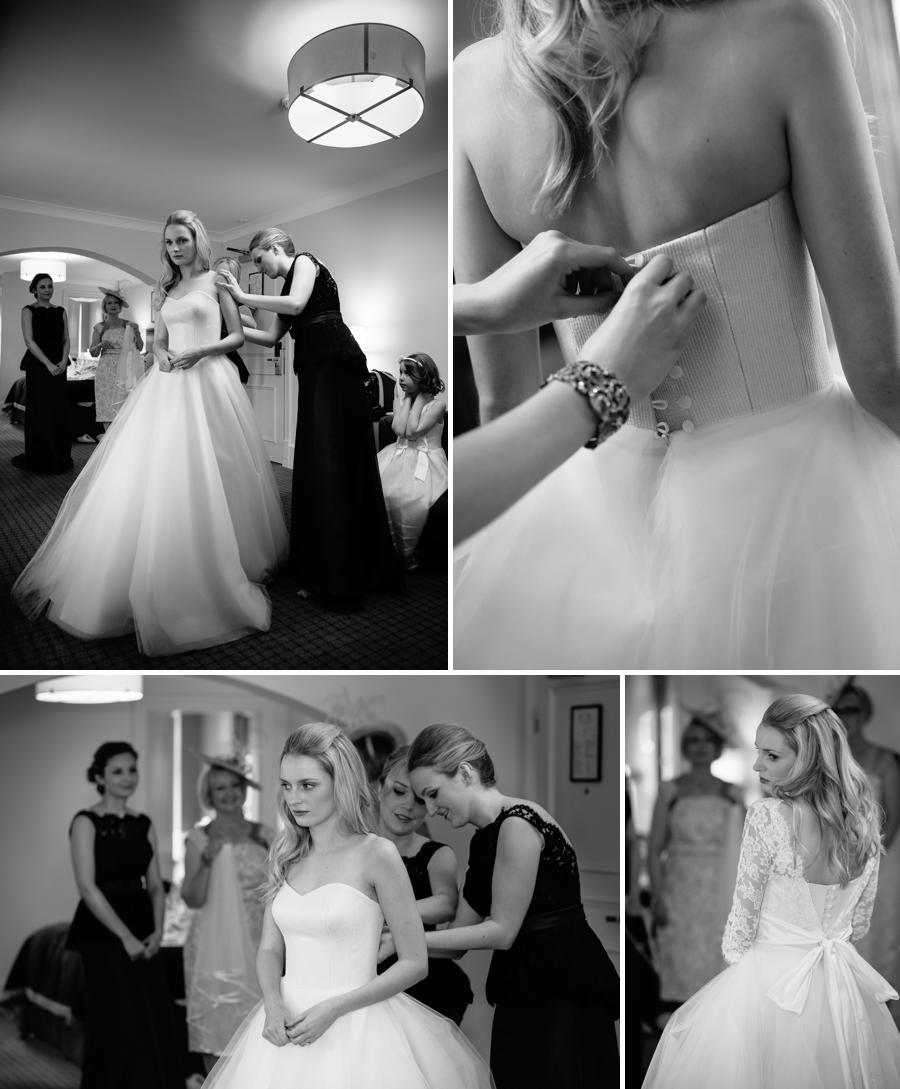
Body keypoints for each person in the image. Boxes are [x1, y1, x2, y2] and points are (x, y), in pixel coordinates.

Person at [453, 0, 900, 668]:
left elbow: (504, 404)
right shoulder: (786, 28)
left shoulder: (469, 87)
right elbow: (884, 371)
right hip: (802, 505)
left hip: (596, 515)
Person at [12, 209, 288, 656]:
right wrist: (160, 354)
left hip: (208, 378)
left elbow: (237, 336)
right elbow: (158, 337)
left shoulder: (218, 281)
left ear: (197, 240)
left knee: (218, 468)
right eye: (169, 242)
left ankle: (225, 555)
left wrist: (199, 351)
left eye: (182, 240)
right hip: (167, 382)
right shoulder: (166, 288)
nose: (175, 248)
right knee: (157, 471)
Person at [199, 723, 492, 1089]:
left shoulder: (376, 854)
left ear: (340, 783)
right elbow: (270, 950)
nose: (294, 798)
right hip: (286, 1025)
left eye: (308, 785)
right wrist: (273, 1003)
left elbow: (414, 963)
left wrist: (334, 1008)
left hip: (358, 1024)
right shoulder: (286, 854)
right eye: (287, 785)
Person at [642, 695, 900, 1087]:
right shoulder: (865, 821)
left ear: (809, 758)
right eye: (758, 752)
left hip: (769, 984)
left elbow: (739, 933)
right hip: (841, 989)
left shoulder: (767, 817)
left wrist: (736, 989)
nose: (757, 765)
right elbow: (860, 924)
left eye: (771, 756)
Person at [401, 724, 619, 1089]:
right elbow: (457, 941)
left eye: (433, 793)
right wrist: (391, 933)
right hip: (521, 986)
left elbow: (502, 932)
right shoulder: (484, 838)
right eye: (424, 798)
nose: (430, 808)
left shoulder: (518, 823)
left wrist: (405, 938)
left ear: (466, 773)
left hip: (561, 986)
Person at [216, 230, 403, 610]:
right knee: (319, 463)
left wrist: (241, 294)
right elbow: (269, 337)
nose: (260, 268)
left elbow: (298, 304)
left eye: (259, 259)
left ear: (274, 248)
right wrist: (229, 324)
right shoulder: (287, 286)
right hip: (317, 371)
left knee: (333, 461)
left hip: (337, 367)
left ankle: (345, 575)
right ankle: (327, 568)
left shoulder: (305, 262)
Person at [67, 741, 183, 1089]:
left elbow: (156, 886)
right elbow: (87, 887)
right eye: (118, 771)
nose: (128, 777)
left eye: (132, 769)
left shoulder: (143, 823)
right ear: (100, 777)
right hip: (102, 931)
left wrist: (158, 931)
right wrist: (125, 937)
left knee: (150, 1016)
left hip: (144, 926)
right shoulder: (85, 822)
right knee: (114, 1020)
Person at [647, 714, 744, 1014]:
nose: (701, 747)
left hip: (721, 887)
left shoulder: (733, 794)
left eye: (707, 741)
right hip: (681, 888)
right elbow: (653, 849)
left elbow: (744, 850)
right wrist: (658, 896)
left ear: (717, 748)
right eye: (694, 740)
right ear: (685, 747)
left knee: (719, 965)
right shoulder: (669, 791)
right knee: (682, 961)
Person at [181, 754, 272, 1073]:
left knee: (261, 1030)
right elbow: (192, 899)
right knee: (217, 1029)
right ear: (210, 794)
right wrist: (206, 861)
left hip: (261, 942)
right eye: (220, 788)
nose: (229, 793)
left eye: (235, 785)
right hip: (214, 946)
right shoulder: (198, 839)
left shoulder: (265, 834)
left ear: (245, 789)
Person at [373, 746, 474, 1024]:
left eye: (420, 799)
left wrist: (385, 913)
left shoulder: (437, 855)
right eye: (399, 791)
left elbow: (446, 905)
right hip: (364, 974)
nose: (407, 805)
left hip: (422, 982)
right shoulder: (354, 849)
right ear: (379, 788)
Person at [832, 682, 900, 1010]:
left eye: (852, 709)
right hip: (832, 864)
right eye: (840, 709)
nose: (846, 716)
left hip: (876, 860)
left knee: (876, 936)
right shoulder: (827, 759)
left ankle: (878, 1009)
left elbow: (893, 818)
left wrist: (866, 859)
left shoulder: (884, 759)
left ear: (866, 714)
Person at [377, 353, 448, 567]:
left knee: (411, 498)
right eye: (400, 373)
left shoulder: (437, 405)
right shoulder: (402, 401)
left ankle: (406, 553)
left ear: (423, 378)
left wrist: (420, 400)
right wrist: (407, 399)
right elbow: (399, 429)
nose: (401, 378)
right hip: (398, 455)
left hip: (425, 460)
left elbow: (413, 432)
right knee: (381, 490)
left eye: (408, 374)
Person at [11, 272, 72, 474]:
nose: (48, 290)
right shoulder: (28, 310)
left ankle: (59, 456)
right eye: (43, 287)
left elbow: (66, 339)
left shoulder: (60, 310)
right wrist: (48, 364)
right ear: (35, 289)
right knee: (40, 411)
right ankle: (39, 457)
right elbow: (29, 341)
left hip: (59, 365)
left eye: (50, 286)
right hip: (38, 366)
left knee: (58, 411)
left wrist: (63, 361)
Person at [89, 287, 144, 426]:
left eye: (115, 303)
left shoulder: (130, 325)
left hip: (126, 369)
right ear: (104, 306)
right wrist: (101, 344)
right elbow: (93, 352)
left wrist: (137, 333)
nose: (113, 305)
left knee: (125, 405)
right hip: (106, 370)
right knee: (107, 405)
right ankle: (108, 443)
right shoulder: (99, 327)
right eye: (109, 303)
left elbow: (140, 347)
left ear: (120, 306)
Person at [210, 258, 253, 384]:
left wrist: (228, 312)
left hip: (225, 353)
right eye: (218, 273)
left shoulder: (235, 298)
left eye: (226, 275)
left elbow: (252, 324)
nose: (220, 278)